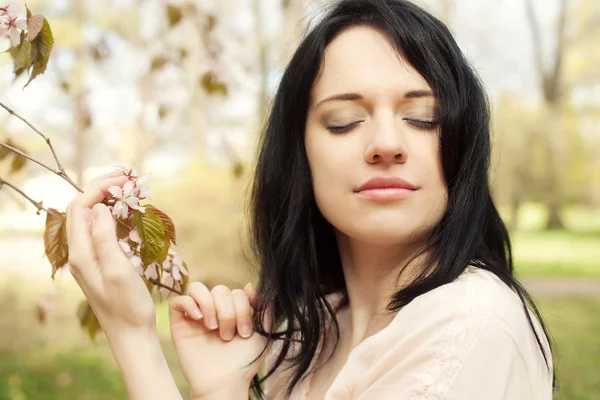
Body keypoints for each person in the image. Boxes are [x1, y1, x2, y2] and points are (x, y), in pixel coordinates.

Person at [65, 0, 555, 399]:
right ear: (301, 155)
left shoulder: (467, 325)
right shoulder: (310, 335)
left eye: (423, 116)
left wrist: (133, 340)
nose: (387, 143)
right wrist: (219, 389)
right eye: (344, 120)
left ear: (463, 142)